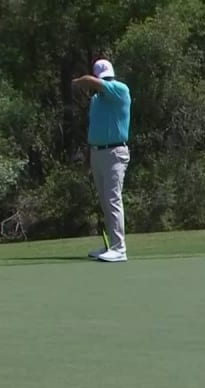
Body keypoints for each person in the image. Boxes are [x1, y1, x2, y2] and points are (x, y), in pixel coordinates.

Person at [72, 59, 132, 263]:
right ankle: (111, 245)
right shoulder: (96, 100)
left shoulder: (120, 89)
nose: (106, 82)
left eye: (107, 79)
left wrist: (80, 81)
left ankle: (119, 249)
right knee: (105, 202)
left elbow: (93, 82)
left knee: (113, 199)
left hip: (115, 152)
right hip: (97, 153)